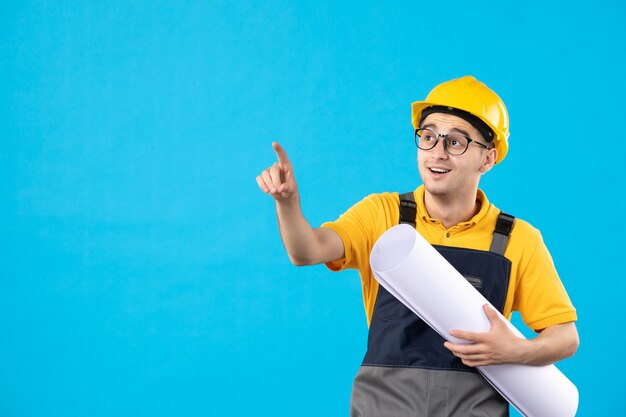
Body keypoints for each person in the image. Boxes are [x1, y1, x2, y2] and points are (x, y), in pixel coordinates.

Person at [256, 75, 579, 417]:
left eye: (455, 142)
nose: (436, 153)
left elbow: (565, 338)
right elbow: (306, 251)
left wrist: (514, 351)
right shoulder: (383, 215)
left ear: (487, 158)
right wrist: (287, 204)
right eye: (428, 137)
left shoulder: (517, 240)